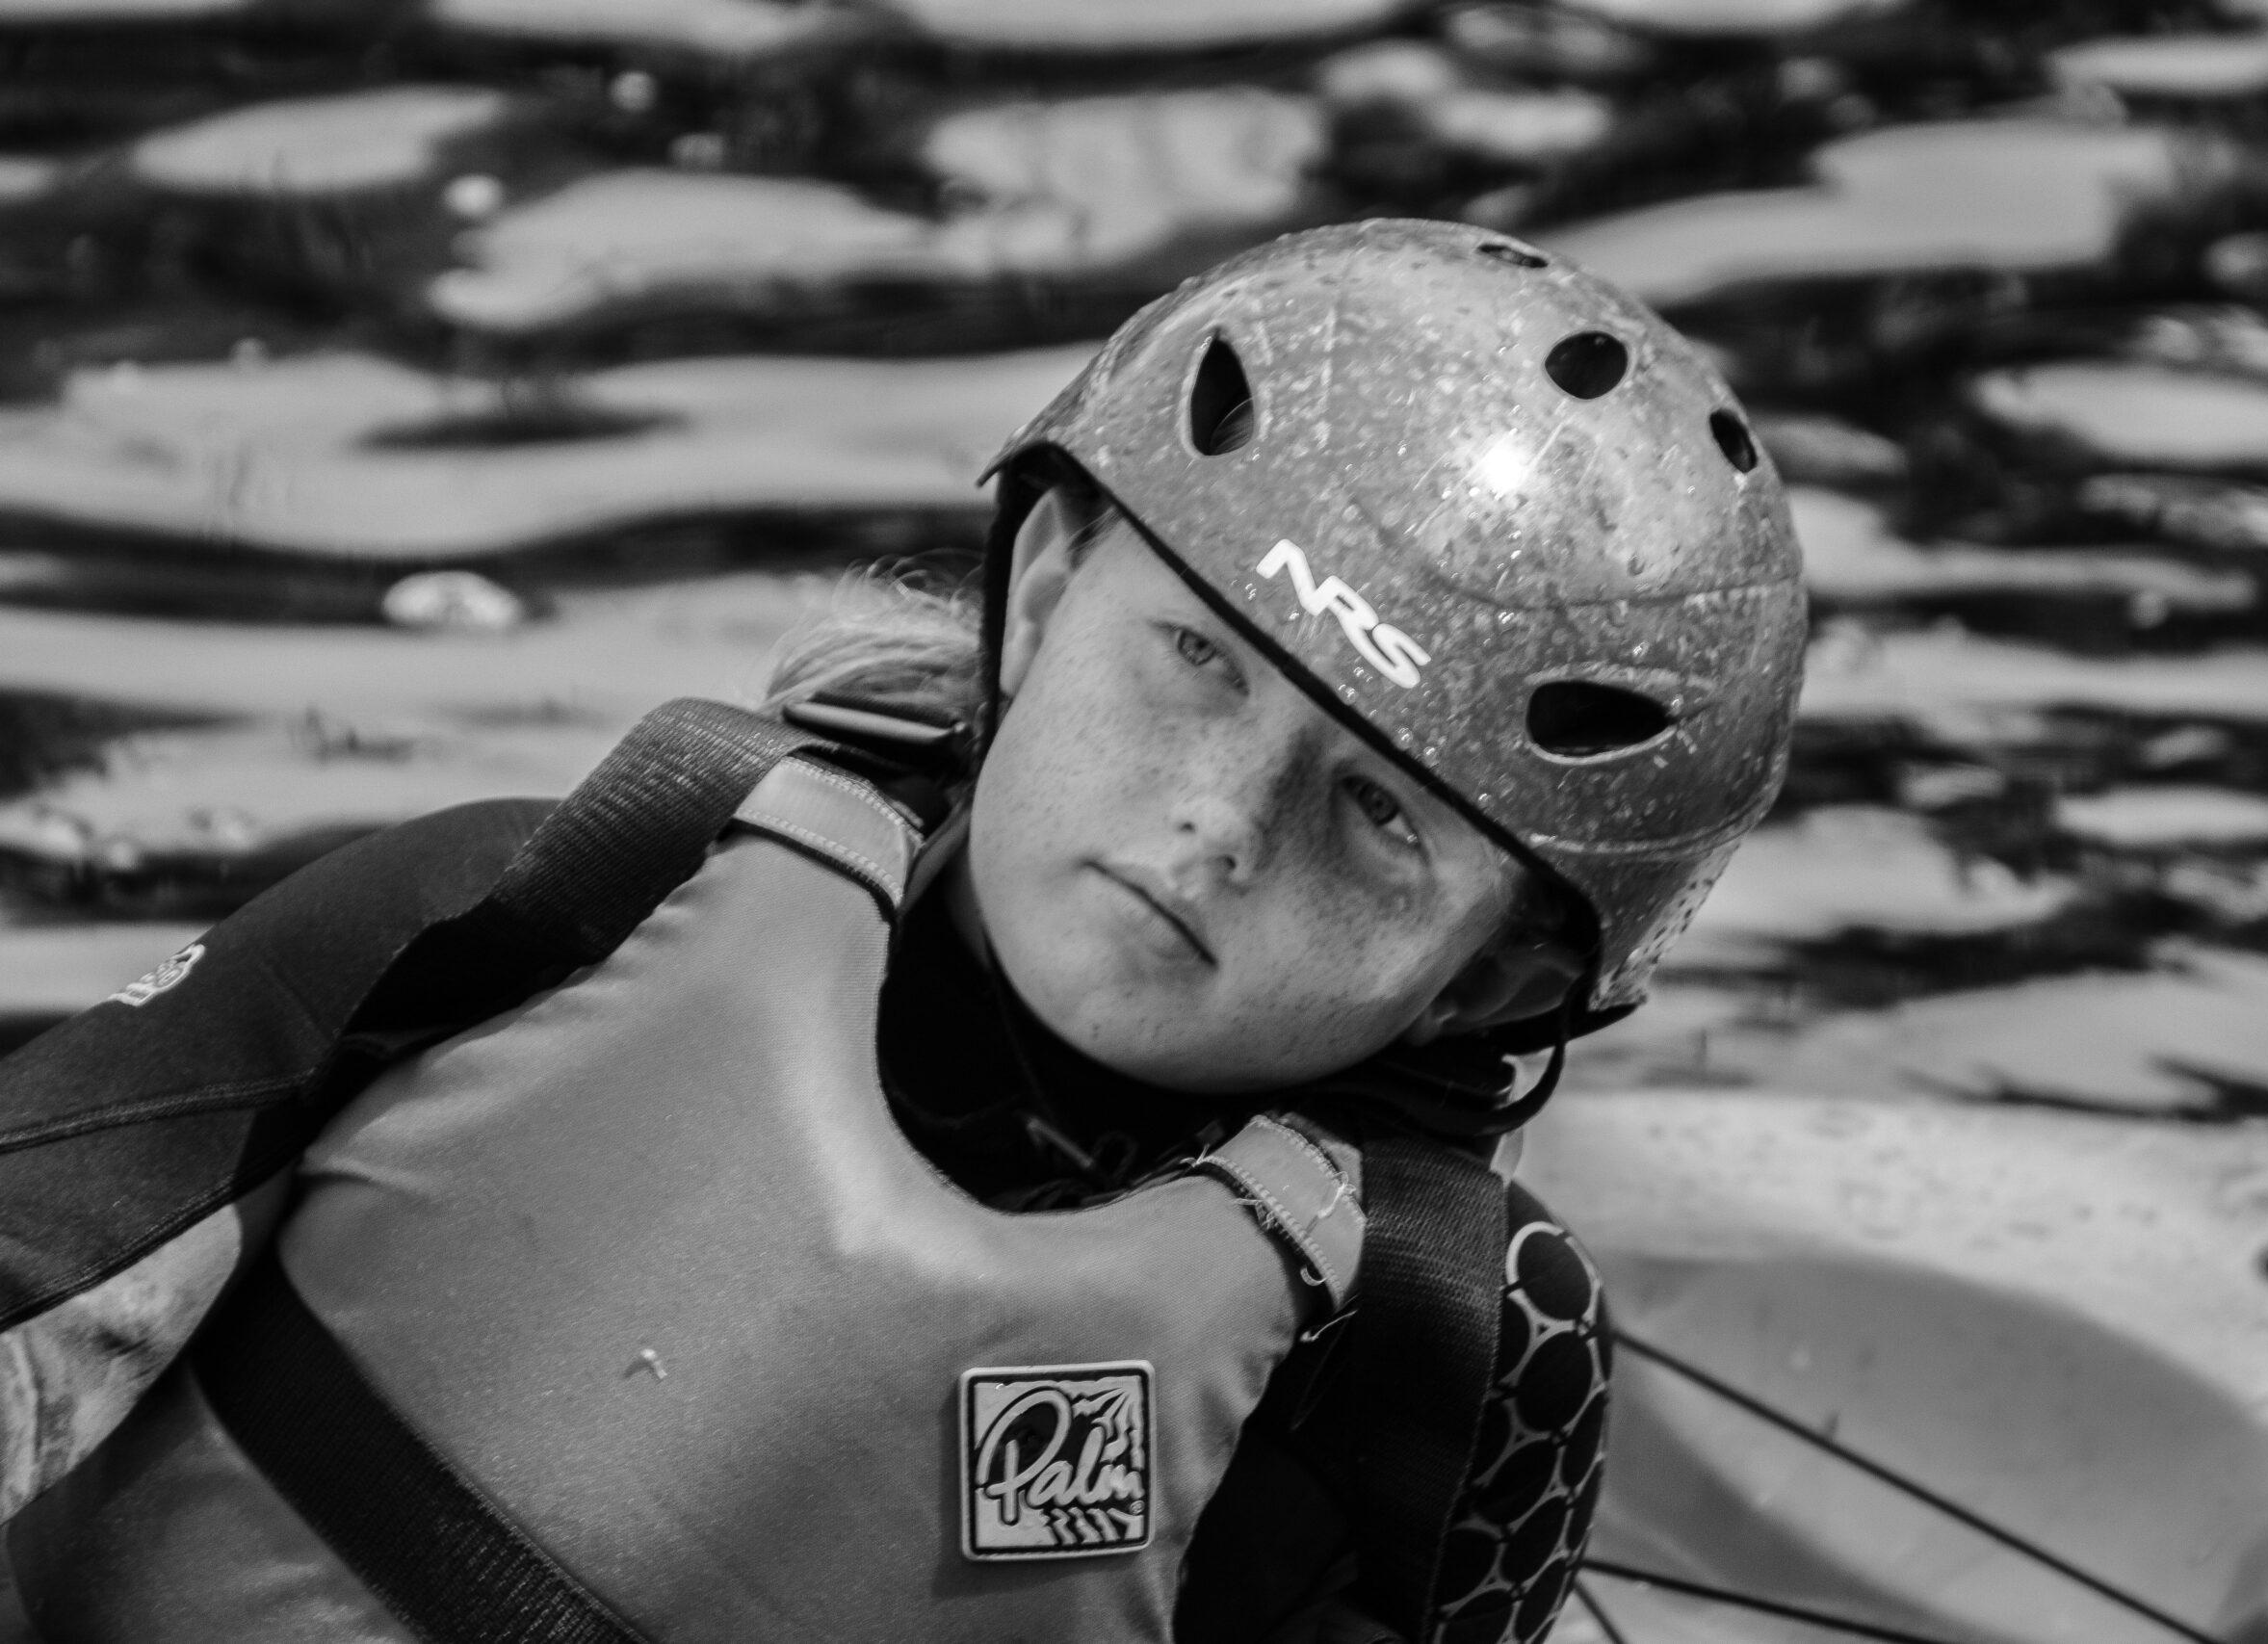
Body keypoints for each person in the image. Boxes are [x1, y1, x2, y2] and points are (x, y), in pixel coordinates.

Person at [0, 219, 1806, 1644]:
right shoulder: (544, 906)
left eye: (1379, 813)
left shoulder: (1435, 1354)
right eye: (1192, 665)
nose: (1218, 824)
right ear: (1044, 584)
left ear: (1498, 970)